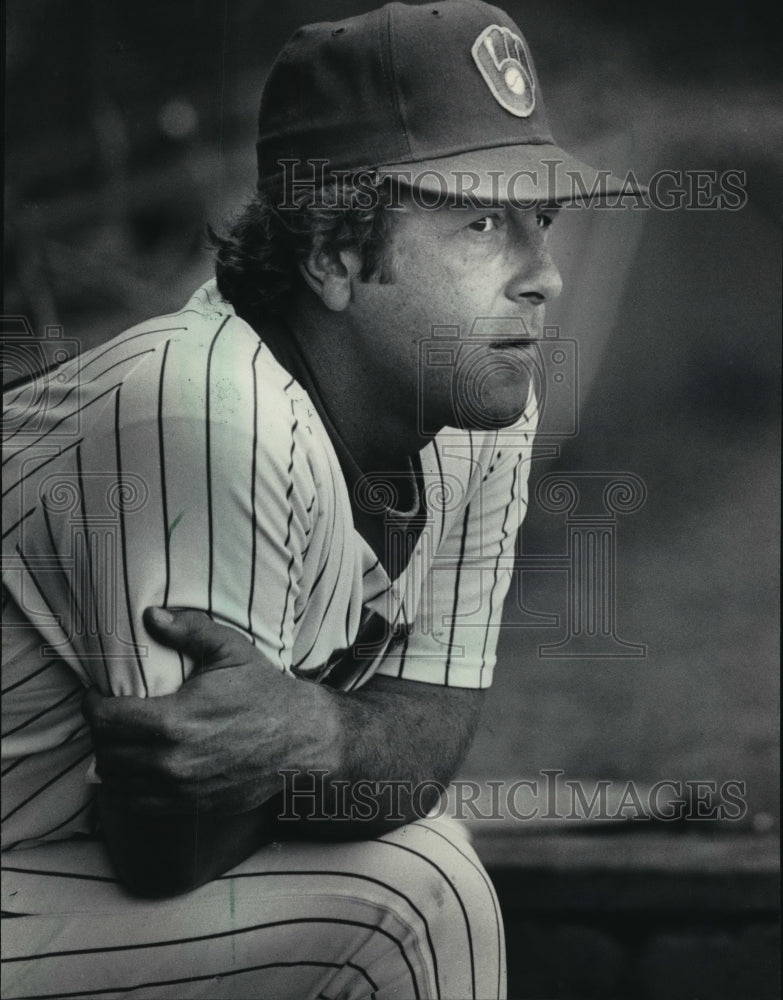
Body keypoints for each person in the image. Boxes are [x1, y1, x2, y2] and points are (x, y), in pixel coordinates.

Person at [2, 2, 639, 996]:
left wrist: (317, 734)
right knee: (417, 894)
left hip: (54, 868)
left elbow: (430, 729)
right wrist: (343, 745)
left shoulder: (481, 397)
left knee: (422, 862)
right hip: (47, 865)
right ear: (333, 253)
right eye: (481, 222)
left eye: (540, 220)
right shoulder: (204, 407)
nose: (546, 276)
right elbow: (169, 849)